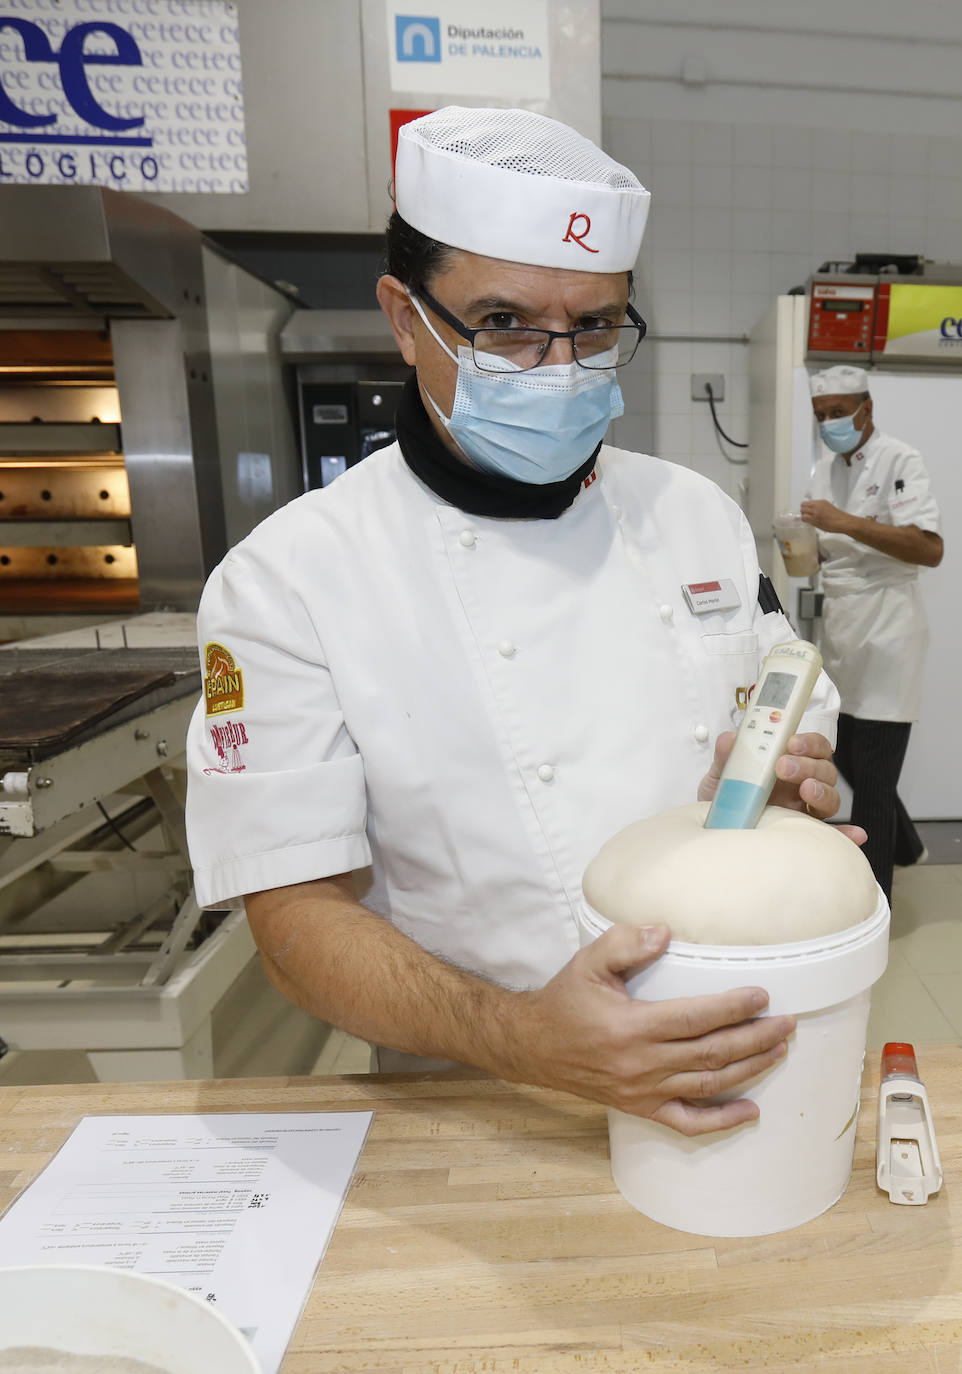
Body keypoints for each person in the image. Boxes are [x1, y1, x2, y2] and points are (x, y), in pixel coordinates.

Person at [185, 106, 850, 1138]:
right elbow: (294, 914)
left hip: (734, 1050)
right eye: (504, 326)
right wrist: (524, 1039)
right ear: (405, 319)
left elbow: (782, 704)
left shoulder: (693, 516)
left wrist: (796, 777)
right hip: (477, 1098)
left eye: (592, 329)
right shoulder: (290, 579)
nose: (560, 370)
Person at [800, 365, 944, 900]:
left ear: (867, 408)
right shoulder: (823, 469)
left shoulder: (899, 459)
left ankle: (874, 900)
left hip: (888, 628)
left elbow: (929, 548)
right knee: (852, 760)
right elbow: (828, 548)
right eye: (821, 416)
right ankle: (906, 846)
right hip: (842, 629)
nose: (830, 423)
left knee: (876, 781)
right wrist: (805, 547)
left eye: (839, 412)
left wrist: (844, 523)